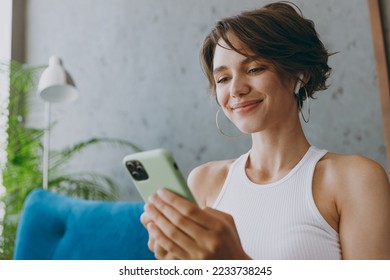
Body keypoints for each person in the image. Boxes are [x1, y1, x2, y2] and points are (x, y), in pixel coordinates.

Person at [140, 1, 390, 260]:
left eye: (254, 69)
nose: (236, 89)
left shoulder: (355, 179)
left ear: (300, 74)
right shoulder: (203, 181)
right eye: (223, 78)